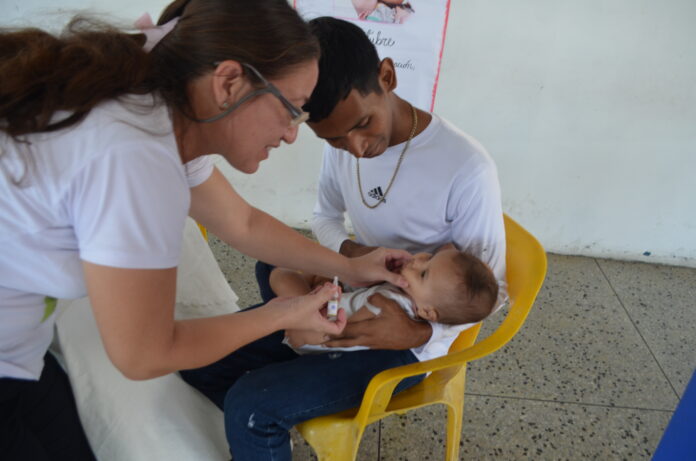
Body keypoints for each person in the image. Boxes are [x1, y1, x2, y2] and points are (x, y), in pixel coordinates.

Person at [0, 2, 411, 460]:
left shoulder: (158, 106)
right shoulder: (137, 161)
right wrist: (283, 313)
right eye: (291, 110)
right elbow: (145, 354)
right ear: (229, 82)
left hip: (19, 353)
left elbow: (243, 223)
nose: (294, 134)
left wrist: (348, 267)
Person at [180, 16, 507, 461]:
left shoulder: (466, 168)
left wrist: (417, 328)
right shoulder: (345, 145)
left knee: (252, 406)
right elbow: (324, 217)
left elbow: (487, 292)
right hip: (353, 292)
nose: (356, 147)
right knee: (201, 361)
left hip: (403, 341)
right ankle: (288, 394)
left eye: (364, 124)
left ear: (386, 77)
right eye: (334, 139)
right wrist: (349, 258)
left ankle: (273, 406)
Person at [272, 248, 499, 354]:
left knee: (282, 275)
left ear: (428, 312)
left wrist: (330, 298)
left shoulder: (386, 307)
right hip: (328, 314)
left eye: (423, 273)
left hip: (313, 331)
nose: (417, 261)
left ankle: (289, 317)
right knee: (309, 272)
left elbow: (338, 330)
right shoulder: (407, 296)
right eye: (429, 257)